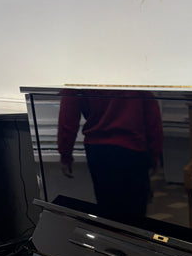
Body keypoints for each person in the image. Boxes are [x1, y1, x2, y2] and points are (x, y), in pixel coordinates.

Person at [57, 89, 163, 221]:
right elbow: (152, 114)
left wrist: (65, 154)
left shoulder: (81, 77)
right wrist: (155, 153)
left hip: (99, 150)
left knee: (108, 210)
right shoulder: (134, 76)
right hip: (132, 149)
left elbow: (68, 116)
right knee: (135, 212)